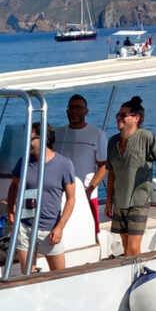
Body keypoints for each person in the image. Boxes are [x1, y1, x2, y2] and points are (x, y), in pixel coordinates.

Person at [104, 95, 156, 257]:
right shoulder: (112, 142)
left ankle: (137, 274)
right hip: (120, 200)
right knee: (124, 243)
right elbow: (112, 173)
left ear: (136, 118)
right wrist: (109, 200)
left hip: (139, 199)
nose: (118, 118)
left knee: (133, 247)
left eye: (123, 115)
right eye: (118, 115)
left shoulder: (146, 137)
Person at [7, 122, 76, 273]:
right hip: (25, 226)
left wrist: (60, 227)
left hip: (50, 227)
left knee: (59, 275)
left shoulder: (64, 164)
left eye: (30, 138)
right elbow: (13, 186)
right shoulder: (24, 161)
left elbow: (71, 199)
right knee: (27, 275)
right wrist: (10, 211)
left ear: (43, 138)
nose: (27, 142)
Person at [55, 93, 107, 238]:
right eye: (71, 108)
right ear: (66, 111)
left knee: (91, 231)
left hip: (86, 194)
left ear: (86, 111)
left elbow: (104, 165)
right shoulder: (58, 133)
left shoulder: (97, 134)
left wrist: (90, 189)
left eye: (78, 107)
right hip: (61, 194)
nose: (74, 111)